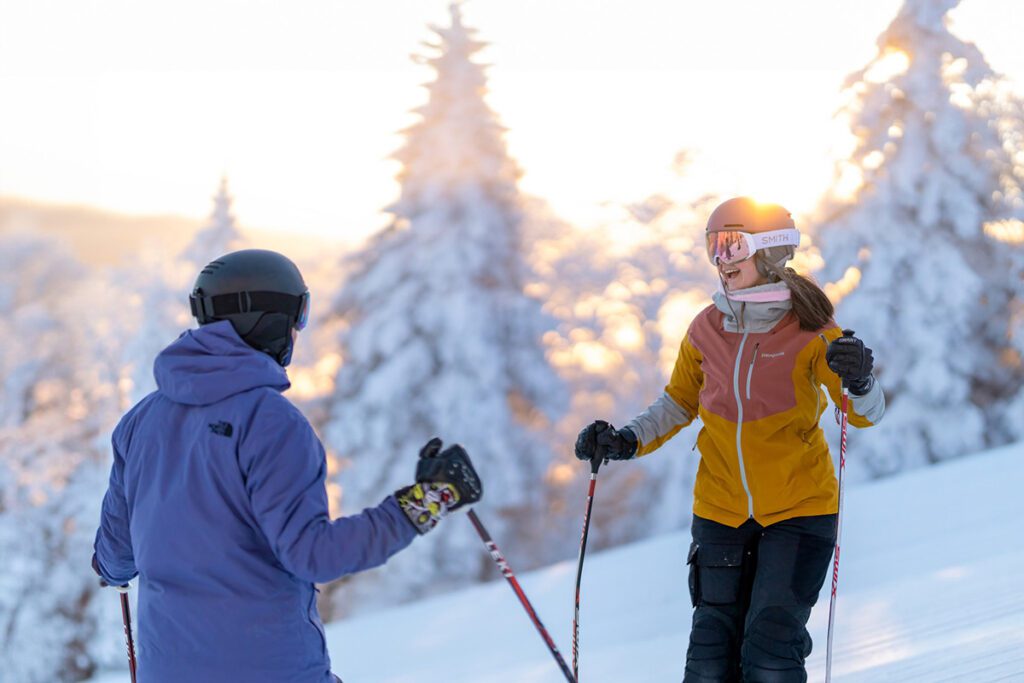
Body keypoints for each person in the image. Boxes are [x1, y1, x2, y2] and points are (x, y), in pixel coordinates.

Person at [92, 249, 482, 683]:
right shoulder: (270, 421)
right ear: (269, 321)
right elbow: (314, 555)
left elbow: (115, 559)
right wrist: (428, 500)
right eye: (299, 315)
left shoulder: (141, 421)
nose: (299, 330)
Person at [575, 198, 885, 683]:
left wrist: (861, 381)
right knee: (709, 664)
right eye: (712, 247)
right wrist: (625, 440)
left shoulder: (812, 332)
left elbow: (864, 415)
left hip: (799, 512)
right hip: (720, 511)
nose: (721, 260)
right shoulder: (706, 328)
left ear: (768, 251)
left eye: (730, 244)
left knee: (769, 657)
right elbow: (679, 402)